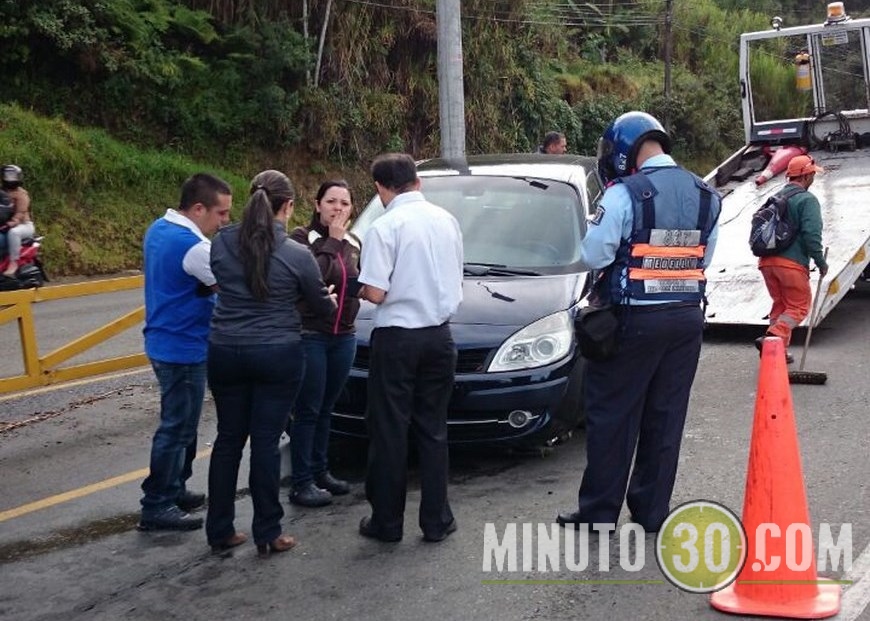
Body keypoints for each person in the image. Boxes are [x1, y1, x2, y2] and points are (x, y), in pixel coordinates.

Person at [557, 111, 721, 533]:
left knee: (613, 415)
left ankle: (599, 513)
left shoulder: (624, 194)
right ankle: (651, 511)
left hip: (633, 319)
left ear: (624, 150)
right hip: (686, 319)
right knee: (666, 416)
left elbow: (594, 253)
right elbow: (703, 258)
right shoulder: (707, 194)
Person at [205, 170, 337, 556]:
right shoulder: (296, 254)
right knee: (266, 442)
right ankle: (268, 531)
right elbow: (323, 308)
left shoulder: (222, 242)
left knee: (228, 439)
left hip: (225, 349)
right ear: (289, 206)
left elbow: (227, 282)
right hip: (277, 352)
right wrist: (326, 299)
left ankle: (220, 529)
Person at [357, 153, 463, 543]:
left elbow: (376, 292)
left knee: (390, 430)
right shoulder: (447, 220)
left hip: (398, 338)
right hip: (440, 336)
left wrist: (359, 288)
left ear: (380, 188)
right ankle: (437, 521)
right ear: (417, 182)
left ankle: (387, 522)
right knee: (433, 429)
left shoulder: (384, 227)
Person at [139, 173, 232, 532]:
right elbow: (230, 288)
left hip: (163, 340)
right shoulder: (194, 247)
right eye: (221, 213)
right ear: (198, 209)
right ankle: (157, 503)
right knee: (177, 428)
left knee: (183, 425)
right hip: (183, 347)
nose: (224, 221)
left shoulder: (159, 228)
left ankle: (175, 487)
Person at [286, 180, 361, 507]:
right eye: (331, 201)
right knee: (308, 408)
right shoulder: (300, 239)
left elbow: (357, 280)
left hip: (344, 335)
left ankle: (321, 470)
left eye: (345, 203)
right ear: (317, 205)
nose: (338, 208)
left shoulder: (354, 242)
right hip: (310, 334)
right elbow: (311, 278)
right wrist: (332, 241)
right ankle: (301, 481)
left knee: (328, 407)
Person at [756, 154, 828, 362]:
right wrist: (820, 262)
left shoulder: (775, 197)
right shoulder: (807, 200)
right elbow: (811, 234)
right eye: (812, 174)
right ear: (805, 176)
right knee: (799, 306)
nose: (813, 177)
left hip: (766, 262)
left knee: (781, 305)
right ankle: (772, 337)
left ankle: (777, 351)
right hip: (791, 263)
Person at [1, 165, 35, 276]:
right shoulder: (1, 192)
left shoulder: (21, 193)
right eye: (7, 175)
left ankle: (13, 263)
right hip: (4, 224)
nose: (10, 178)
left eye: (12, 176)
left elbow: (21, 211)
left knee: (13, 233)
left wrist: (14, 221)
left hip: (24, 225)